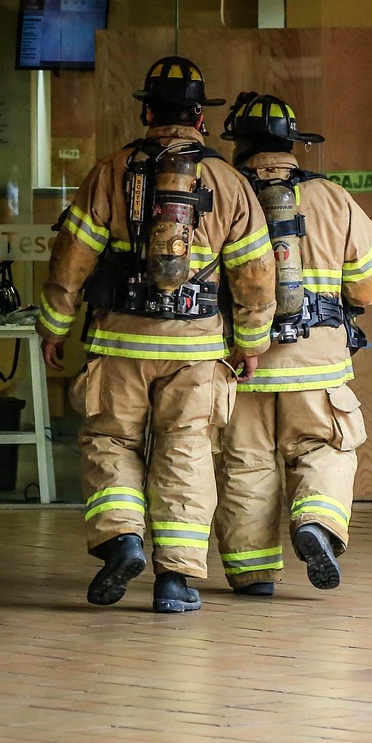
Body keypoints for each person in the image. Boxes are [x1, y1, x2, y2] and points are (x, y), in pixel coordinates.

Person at [37, 56, 276, 613]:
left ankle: (122, 539)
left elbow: (70, 258)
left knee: (111, 441)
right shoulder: (228, 181)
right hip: (197, 350)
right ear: (200, 116)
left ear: (146, 111)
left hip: (119, 343)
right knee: (187, 450)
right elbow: (256, 275)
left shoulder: (109, 171)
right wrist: (252, 343)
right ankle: (176, 581)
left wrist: (54, 325)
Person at [212, 92, 372, 597]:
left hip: (239, 362)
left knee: (246, 465)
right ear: (294, 144)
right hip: (318, 366)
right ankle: (316, 524)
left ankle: (252, 575)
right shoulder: (335, 198)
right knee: (325, 449)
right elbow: (368, 286)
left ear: (238, 145)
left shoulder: (224, 194)